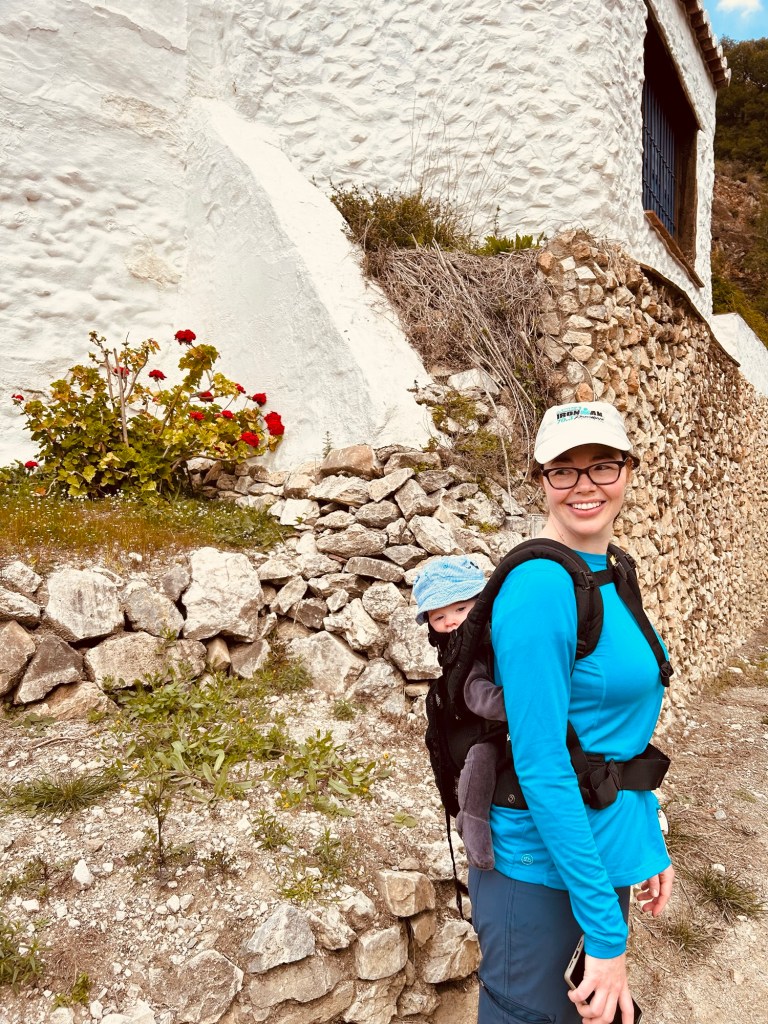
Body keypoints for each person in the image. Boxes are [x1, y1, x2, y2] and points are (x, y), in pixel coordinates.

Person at [469, 401, 674, 1024]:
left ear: (628, 470)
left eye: (602, 465)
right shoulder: (541, 588)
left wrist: (643, 838)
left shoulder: (609, 571)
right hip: (539, 869)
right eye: (564, 469)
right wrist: (607, 934)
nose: (585, 485)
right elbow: (542, 764)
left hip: (595, 851)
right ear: (541, 480)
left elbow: (611, 736)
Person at [413, 556, 506, 870]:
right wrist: (518, 704)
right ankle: (472, 822)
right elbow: (474, 692)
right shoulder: (460, 652)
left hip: (505, 724)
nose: (450, 621)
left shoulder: (495, 632)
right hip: (484, 729)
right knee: (480, 759)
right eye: (439, 616)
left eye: (460, 609)